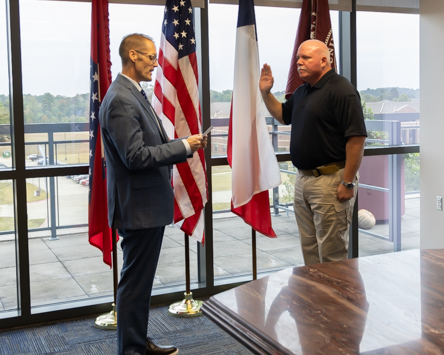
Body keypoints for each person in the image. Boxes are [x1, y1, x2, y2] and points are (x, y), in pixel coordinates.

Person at [99, 33, 207, 355]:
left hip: (143, 206)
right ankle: (131, 350)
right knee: (134, 285)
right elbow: (135, 157)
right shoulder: (120, 98)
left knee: (140, 283)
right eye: (149, 57)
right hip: (138, 209)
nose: (155, 64)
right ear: (132, 55)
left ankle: (138, 342)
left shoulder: (133, 93)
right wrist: (185, 146)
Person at [259, 39, 367, 266]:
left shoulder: (342, 91)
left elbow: (356, 140)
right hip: (304, 180)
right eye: (298, 58)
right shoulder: (302, 91)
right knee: (309, 250)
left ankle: (335, 301)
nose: (299, 62)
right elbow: (282, 115)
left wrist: (347, 183)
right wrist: (266, 93)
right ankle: (315, 299)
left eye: (305, 58)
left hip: (331, 181)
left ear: (324, 60)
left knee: (331, 254)